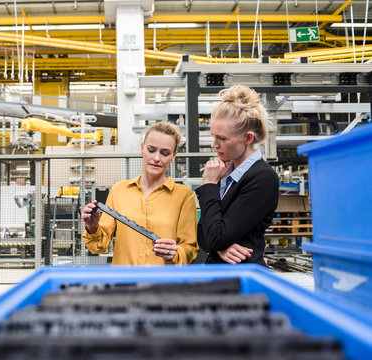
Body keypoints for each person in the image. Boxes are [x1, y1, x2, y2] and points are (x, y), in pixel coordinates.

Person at [81, 121, 199, 265]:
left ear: (173, 156)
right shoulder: (119, 191)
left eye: (165, 153)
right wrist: (93, 227)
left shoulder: (183, 196)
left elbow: (190, 249)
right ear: (142, 149)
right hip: (125, 283)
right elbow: (99, 247)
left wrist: (175, 252)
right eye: (151, 150)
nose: (156, 158)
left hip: (164, 283)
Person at [196, 85, 279, 266]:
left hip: (242, 278)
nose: (214, 144)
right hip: (221, 277)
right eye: (213, 136)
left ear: (248, 138)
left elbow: (215, 237)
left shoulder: (262, 178)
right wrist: (220, 247)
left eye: (222, 138)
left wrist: (209, 184)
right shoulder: (228, 173)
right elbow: (203, 236)